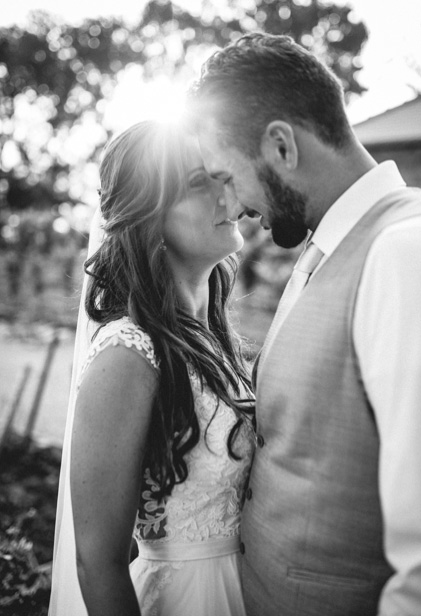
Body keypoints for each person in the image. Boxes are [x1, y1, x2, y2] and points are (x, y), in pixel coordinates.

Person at [188, 33, 421, 615]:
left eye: (228, 178)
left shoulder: (409, 251)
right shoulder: (325, 246)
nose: (232, 207)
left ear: (281, 145)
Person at [49, 120, 256, 615]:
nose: (227, 196)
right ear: (149, 217)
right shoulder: (127, 354)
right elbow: (97, 562)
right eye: (196, 183)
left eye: (220, 176)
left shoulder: (212, 337)